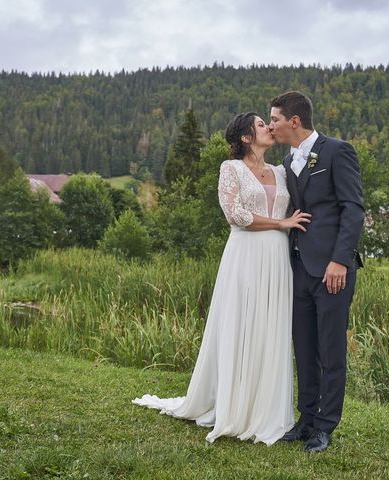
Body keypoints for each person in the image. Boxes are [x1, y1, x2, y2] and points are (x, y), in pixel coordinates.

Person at [132, 112, 310, 445]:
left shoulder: (281, 171)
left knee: (269, 328)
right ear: (245, 137)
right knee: (241, 324)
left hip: (276, 260)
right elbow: (236, 214)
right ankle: (234, 407)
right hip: (244, 255)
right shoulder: (231, 169)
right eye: (261, 124)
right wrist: (280, 224)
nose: (269, 128)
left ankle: (265, 410)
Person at [268, 91, 364, 453]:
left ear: (294, 121)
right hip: (298, 268)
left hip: (332, 270)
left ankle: (325, 426)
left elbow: (353, 209)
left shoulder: (338, 151)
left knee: (330, 349)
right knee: (304, 348)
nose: (271, 124)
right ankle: (305, 419)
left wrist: (341, 259)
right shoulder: (289, 158)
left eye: (274, 118)